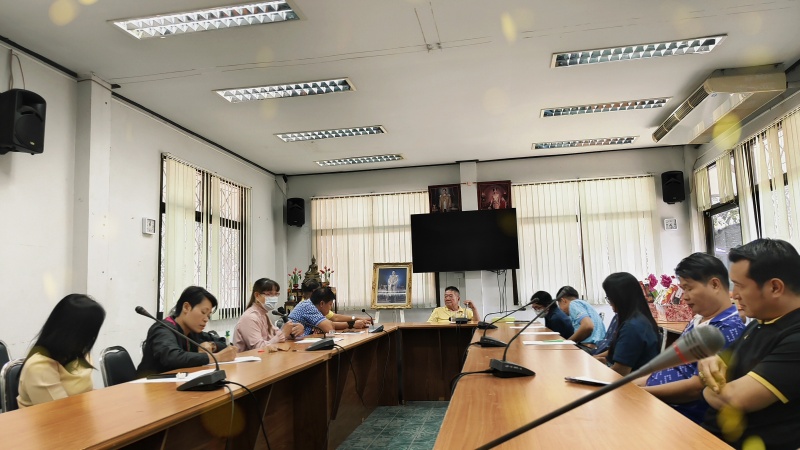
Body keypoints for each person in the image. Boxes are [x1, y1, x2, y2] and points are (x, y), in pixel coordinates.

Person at [698, 239, 800, 450]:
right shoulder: (761, 322)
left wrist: (708, 386)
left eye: (740, 285)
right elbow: (715, 366)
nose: (734, 294)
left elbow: (734, 398)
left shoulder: (795, 336)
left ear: (775, 287)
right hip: (709, 437)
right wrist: (710, 371)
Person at [638, 253, 746, 423]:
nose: (685, 296)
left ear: (715, 285)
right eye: (683, 289)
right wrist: (628, 386)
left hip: (680, 415)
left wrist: (640, 393)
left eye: (689, 288)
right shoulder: (698, 319)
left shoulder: (728, 328)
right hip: (657, 401)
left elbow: (695, 389)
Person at [17, 294, 106, 408]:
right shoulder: (39, 367)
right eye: (89, 332)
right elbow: (59, 412)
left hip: (78, 414)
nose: (91, 338)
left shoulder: (79, 355)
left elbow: (86, 393)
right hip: (53, 418)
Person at [137, 286, 236, 377]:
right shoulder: (162, 329)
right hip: (151, 387)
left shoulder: (192, 331)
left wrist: (212, 346)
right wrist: (216, 357)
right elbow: (172, 357)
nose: (206, 319)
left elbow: (226, 344)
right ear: (186, 307)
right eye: (203, 312)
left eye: (208, 315)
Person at [593, 273, 659, 375]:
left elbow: (621, 371)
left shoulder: (632, 327)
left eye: (609, 298)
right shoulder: (639, 318)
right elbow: (621, 351)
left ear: (619, 298)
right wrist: (601, 360)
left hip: (633, 382)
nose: (610, 303)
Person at [234, 278, 304, 352]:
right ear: (257, 295)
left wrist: (293, 332)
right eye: (269, 294)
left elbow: (274, 336)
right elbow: (258, 348)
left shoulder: (263, 314)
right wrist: (283, 334)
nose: (273, 298)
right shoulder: (250, 317)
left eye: (276, 294)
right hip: (250, 358)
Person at [288, 287, 370, 335]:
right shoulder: (309, 307)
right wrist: (351, 324)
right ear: (322, 303)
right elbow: (330, 329)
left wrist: (352, 324)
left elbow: (331, 324)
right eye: (330, 304)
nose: (331, 308)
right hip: (292, 343)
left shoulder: (311, 305)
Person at [556, 286, 606, 350]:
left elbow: (588, 326)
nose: (560, 309)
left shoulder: (573, 304)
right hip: (598, 347)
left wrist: (568, 342)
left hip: (587, 348)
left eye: (559, 304)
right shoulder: (583, 304)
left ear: (563, 301)